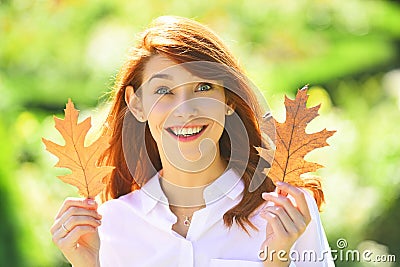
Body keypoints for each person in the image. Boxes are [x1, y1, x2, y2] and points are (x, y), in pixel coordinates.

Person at [50, 16, 334, 267]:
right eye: (163, 90)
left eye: (203, 87)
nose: (185, 110)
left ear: (229, 100)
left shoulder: (285, 212)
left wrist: (277, 261)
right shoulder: (109, 226)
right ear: (137, 104)